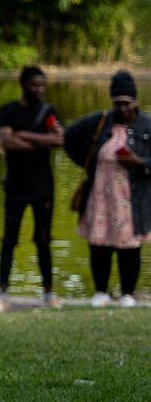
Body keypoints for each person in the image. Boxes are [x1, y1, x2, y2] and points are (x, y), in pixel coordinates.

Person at [64, 70, 151, 307]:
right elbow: (69, 136)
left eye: (126, 104)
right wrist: (87, 162)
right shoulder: (101, 121)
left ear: (134, 101)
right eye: (117, 103)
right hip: (100, 196)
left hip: (131, 199)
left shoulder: (147, 125)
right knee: (99, 244)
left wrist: (140, 163)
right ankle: (100, 291)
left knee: (129, 247)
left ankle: (127, 294)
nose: (122, 109)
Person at [0, 66, 64, 312]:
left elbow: (60, 139)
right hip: (15, 186)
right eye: (34, 85)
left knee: (43, 239)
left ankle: (48, 294)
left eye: (42, 85)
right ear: (23, 84)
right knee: (9, 240)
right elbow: (7, 141)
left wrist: (24, 135)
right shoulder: (8, 111)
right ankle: (2, 294)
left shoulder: (48, 112)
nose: (39, 89)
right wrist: (41, 141)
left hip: (43, 187)